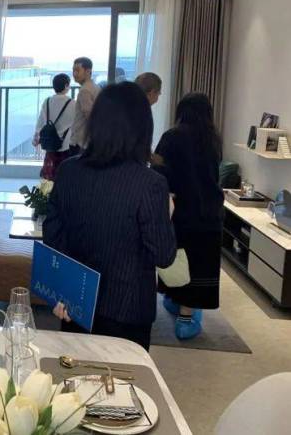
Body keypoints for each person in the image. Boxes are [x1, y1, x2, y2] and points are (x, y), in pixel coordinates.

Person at [43, 82, 176, 350]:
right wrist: (168, 214)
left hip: (75, 301)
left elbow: (53, 235)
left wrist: (61, 289)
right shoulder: (150, 183)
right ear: (142, 128)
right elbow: (163, 255)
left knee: (74, 371)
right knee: (122, 375)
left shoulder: (68, 170)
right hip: (127, 310)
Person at [154, 93, 224, 340]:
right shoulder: (213, 140)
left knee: (179, 259)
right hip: (210, 211)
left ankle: (177, 303)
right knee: (200, 263)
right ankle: (187, 317)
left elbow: (158, 172)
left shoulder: (171, 137)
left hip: (181, 210)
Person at [33, 73, 75, 180]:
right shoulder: (72, 103)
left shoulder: (47, 101)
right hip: (65, 145)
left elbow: (40, 122)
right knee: (65, 177)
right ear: (66, 86)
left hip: (50, 145)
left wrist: (36, 136)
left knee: (49, 179)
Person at [70, 57, 101, 154]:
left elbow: (90, 116)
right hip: (89, 141)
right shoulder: (95, 87)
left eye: (77, 70)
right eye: (73, 70)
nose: (74, 74)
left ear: (88, 71)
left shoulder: (85, 90)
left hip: (81, 142)